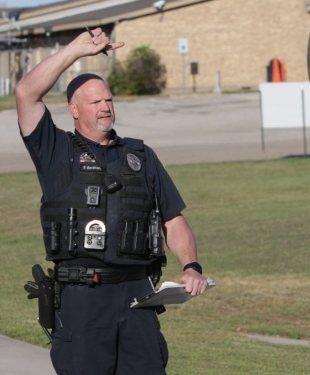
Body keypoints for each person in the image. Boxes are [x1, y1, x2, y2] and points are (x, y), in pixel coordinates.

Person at [15, 27, 208, 374]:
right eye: (95, 102)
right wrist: (76, 50)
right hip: (83, 297)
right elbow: (26, 93)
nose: (106, 107)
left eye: (109, 100)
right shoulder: (56, 151)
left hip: (138, 294)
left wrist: (191, 266)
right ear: (74, 109)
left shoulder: (140, 155)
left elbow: (173, 219)